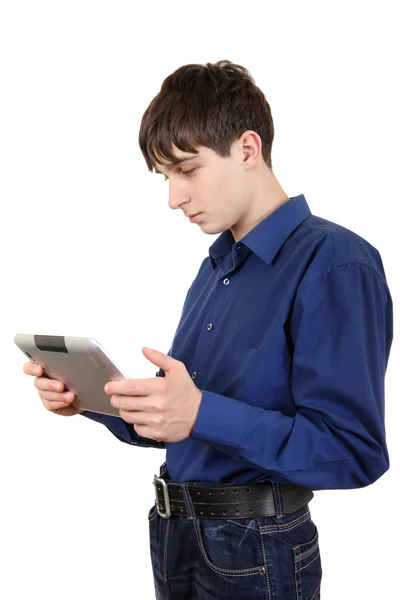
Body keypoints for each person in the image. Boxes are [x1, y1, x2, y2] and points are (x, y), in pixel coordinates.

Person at [23, 60, 393, 599]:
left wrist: (201, 412)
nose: (174, 198)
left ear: (248, 148)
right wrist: (94, 400)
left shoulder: (336, 261)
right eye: (166, 177)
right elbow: (185, 418)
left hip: (257, 549)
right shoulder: (218, 265)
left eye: (188, 170)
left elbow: (353, 450)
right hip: (176, 535)